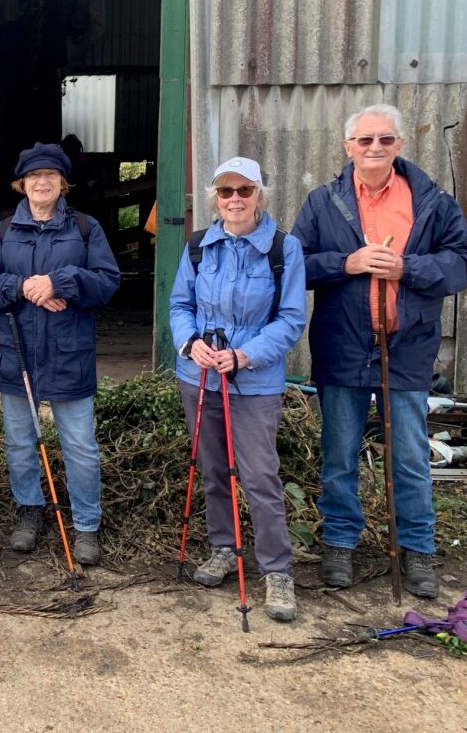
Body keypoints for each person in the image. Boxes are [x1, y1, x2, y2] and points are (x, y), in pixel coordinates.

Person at [291, 104, 467, 599]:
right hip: (342, 344)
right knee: (340, 453)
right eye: (365, 140)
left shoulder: (432, 201)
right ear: (348, 147)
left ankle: (416, 550)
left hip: (408, 348)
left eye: (385, 140)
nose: (375, 148)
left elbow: (463, 265)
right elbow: (294, 265)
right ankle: (339, 543)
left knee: (411, 456)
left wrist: (408, 269)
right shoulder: (323, 202)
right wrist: (346, 262)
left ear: (399, 146)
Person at [169, 156, 307, 622]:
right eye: (226, 192)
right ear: (215, 198)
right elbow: (179, 305)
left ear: (259, 196)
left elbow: (290, 320)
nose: (234, 200)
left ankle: (277, 571)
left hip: (254, 384)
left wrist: (244, 355)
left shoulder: (284, 250)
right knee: (212, 469)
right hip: (200, 378)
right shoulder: (197, 246)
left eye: (244, 191)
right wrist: (190, 345)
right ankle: (224, 548)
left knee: (260, 476)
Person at [0, 142, 120, 565]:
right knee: (19, 442)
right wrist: (22, 288)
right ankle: (29, 512)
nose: (42, 182)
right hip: (16, 351)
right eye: (33, 176)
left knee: (80, 444)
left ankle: (87, 526)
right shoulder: (2, 232)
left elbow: (108, 282)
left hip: (69, 352)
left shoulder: (87, 229)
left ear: (62, 183)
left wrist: (60, 282)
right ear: (22, 184)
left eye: (50, 176)